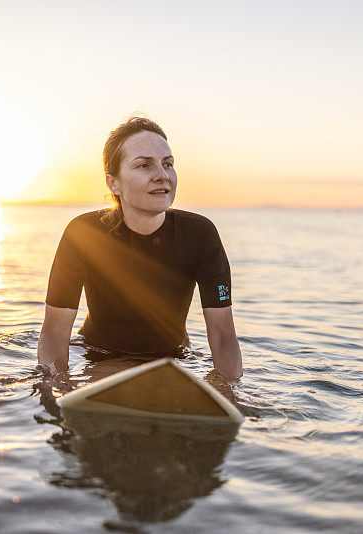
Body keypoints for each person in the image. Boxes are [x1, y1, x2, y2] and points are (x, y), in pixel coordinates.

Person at [37, 117, 243, 380]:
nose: (162, 175)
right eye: (144, 165)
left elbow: (224, 336)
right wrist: (58, 389)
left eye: (168, 164)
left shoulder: (200, 235)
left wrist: (231, 394)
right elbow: (54, 333)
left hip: (173, 358)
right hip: (97, 356)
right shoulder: (83, 234)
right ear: (114, 183)